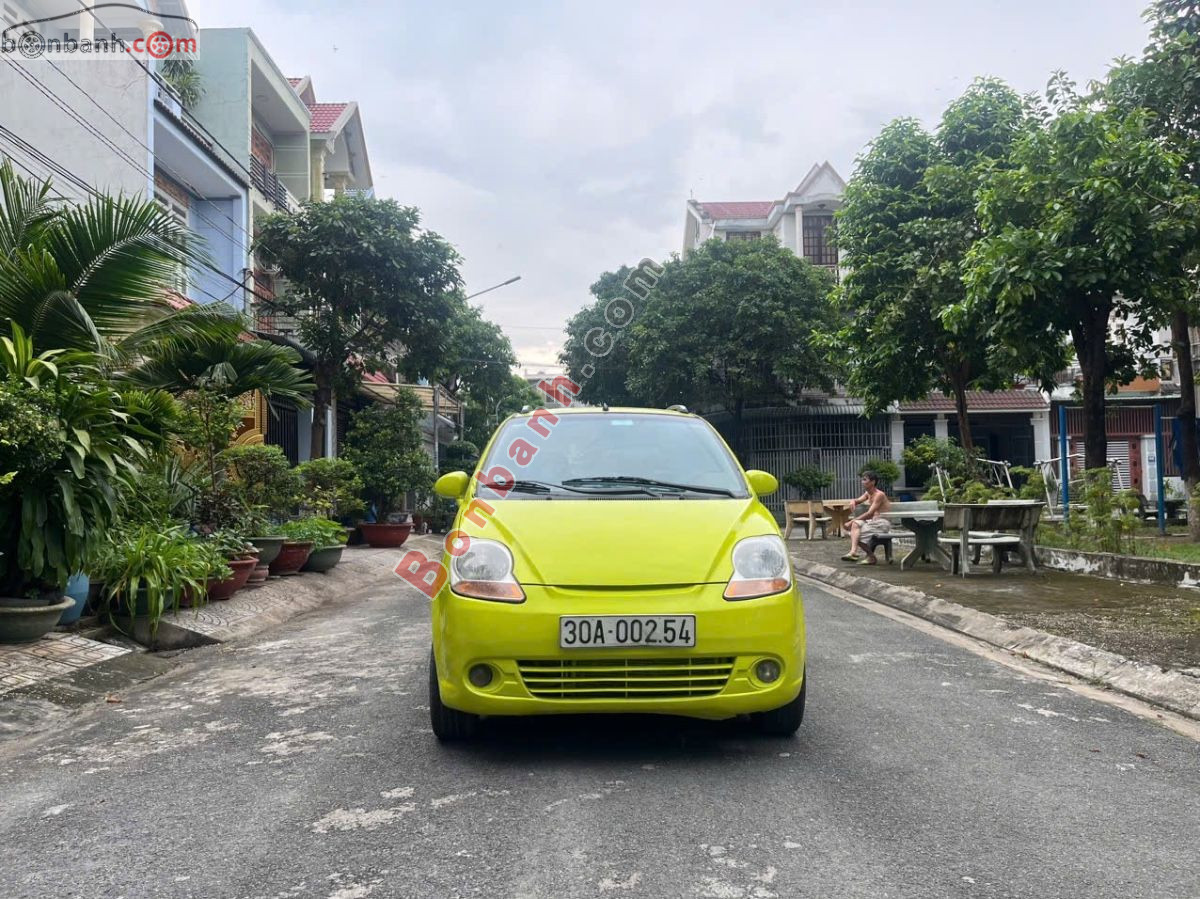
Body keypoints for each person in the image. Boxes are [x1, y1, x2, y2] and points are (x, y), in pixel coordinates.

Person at [841, 471, 892, 564]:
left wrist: (851, 521)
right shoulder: (868, 493)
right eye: (862, 479)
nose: (862, 482)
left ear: (872, 482)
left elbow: (869, 513)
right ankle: (854, 552)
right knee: (855, 526)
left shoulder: (879, 495)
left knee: (855, 533)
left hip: (882, 523)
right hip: (872, 522)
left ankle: (869, 557)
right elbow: (858, 500)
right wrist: (853, 501)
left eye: (865, 480)